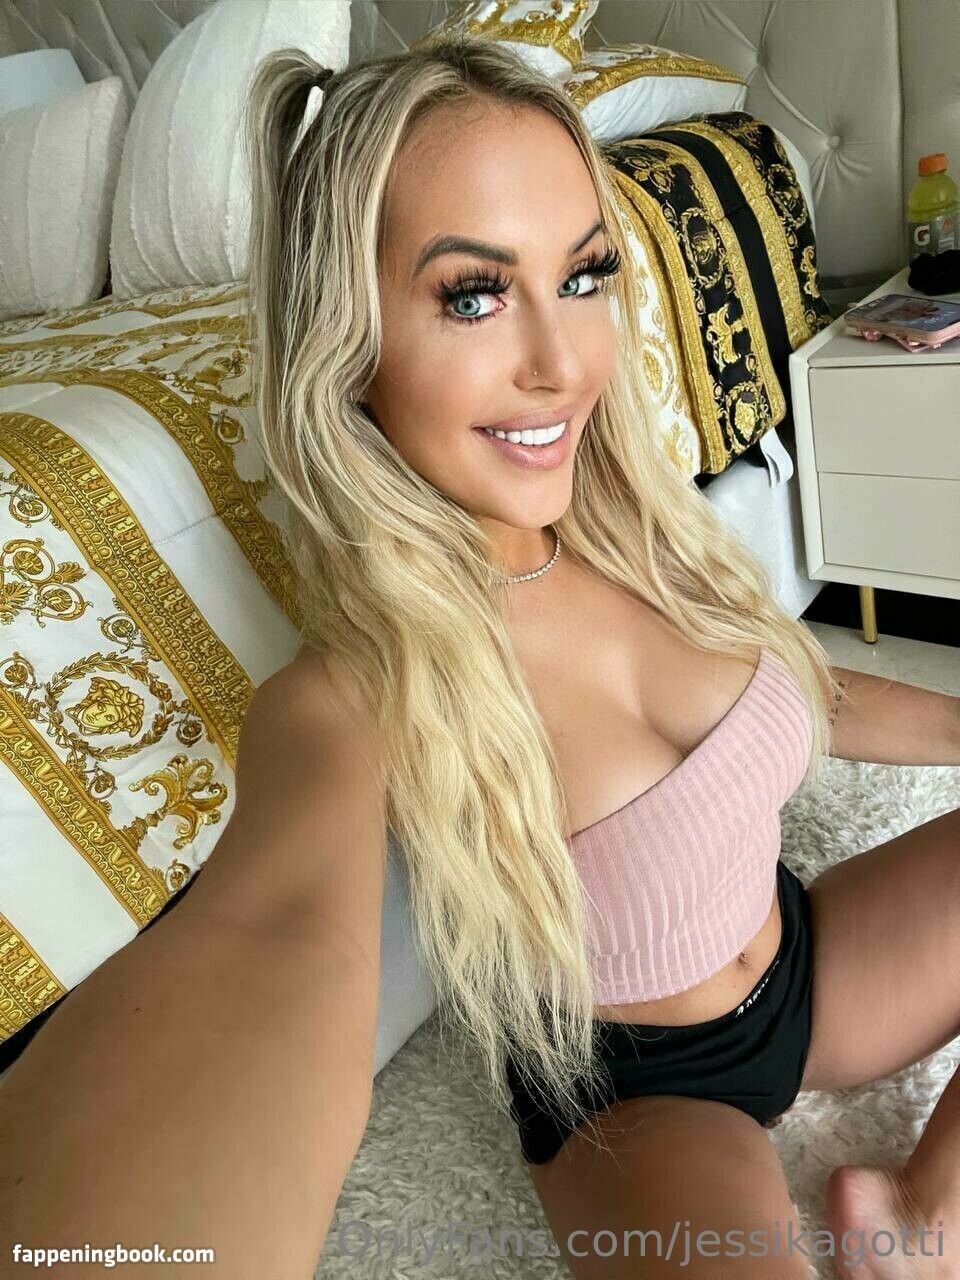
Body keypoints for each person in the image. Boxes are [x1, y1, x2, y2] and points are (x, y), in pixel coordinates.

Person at [4, 32, 960, 1280]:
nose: (562, 366)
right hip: (644, 1100)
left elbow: (803, 686)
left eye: (584, 274)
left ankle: (921, 1216)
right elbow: (269, 938)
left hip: (804, 969)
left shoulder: (635, 527)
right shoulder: (358, 687)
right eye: (473, 294)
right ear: (348, 337)